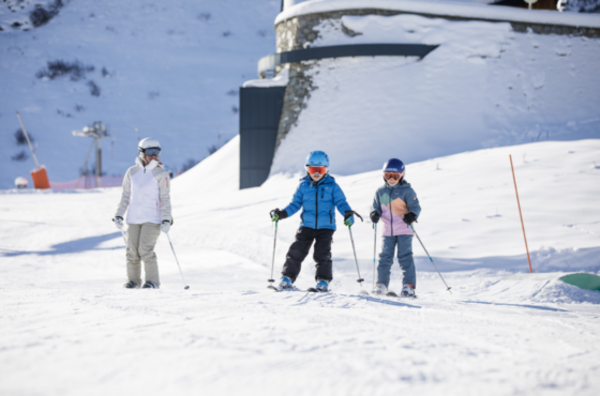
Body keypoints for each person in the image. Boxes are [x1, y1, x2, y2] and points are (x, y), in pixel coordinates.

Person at [270, 151, 355, 292]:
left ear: (326, 170)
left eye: (320, 170)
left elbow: (341, 202)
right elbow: (295, 204)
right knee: (296, 251)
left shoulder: (333, 186)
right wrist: (283, 213)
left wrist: (347, 213)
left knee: (322, 254)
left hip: (326, 227)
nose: (316, 173)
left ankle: (323, 280)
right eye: (312, 169)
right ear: (307, 169)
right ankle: (287, 278)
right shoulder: (303, 186)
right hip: (306, 225)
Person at [112, 138, 173, 289]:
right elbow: (125, 196)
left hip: (152, 219)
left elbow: (165, 198)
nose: (154, 156)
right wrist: (119, 214)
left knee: (145, 251)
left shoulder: (161, 173)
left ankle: (152, 282)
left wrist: (166, 219)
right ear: (141, 153)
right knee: (132, 252)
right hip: (133, 219)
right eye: (150, 152)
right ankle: (133, 281)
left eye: (157, 152)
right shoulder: (132, 172)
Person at [370, 158, 421, 297]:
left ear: (402, 175)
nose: (391, 179)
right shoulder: (381, 192)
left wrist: (412, 215)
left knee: (405, 257)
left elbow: (416, 207)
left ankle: (408, 286)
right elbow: (375, 207)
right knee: (384, 258)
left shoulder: (407, 190)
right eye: (388, 176)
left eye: (395, 176)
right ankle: (381, 284)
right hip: (387, 231)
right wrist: (374, 213)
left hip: (404, 229)